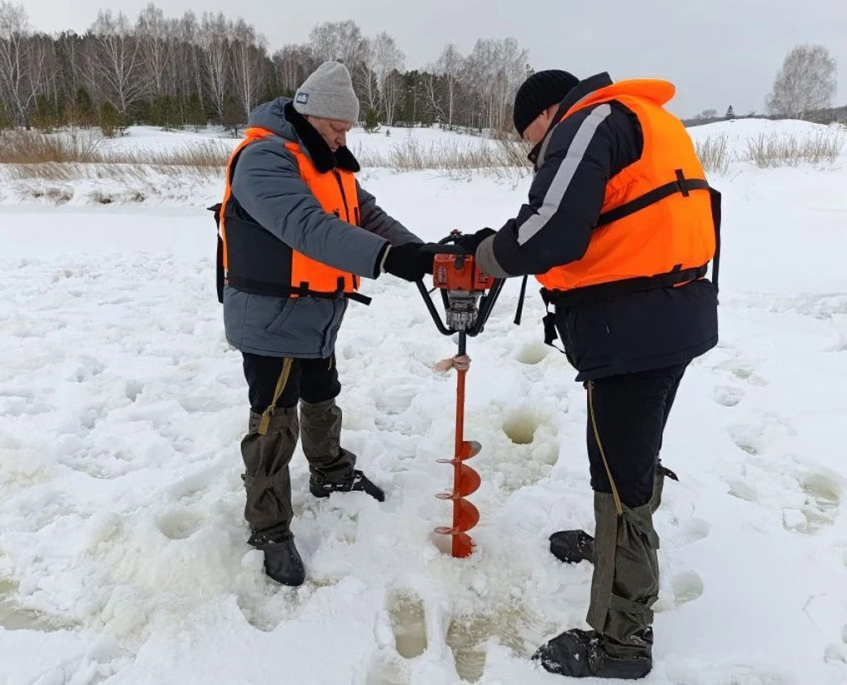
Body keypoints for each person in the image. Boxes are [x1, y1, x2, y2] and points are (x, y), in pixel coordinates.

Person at [456, 70, 720, 678]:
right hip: (673, 313)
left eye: (530, 139)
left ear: (548, 113)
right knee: (632, 454)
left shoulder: (590, 121)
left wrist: (485, 255)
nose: (534, 153)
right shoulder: (643, 119)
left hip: (630, 329)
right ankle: (614, 552)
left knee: (618, 474)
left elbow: (551, 231)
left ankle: (622, 640)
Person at [215, 61, 433, 587]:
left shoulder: (326, 161)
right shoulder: (263, 159)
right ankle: (268, 526)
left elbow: (367, 215)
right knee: (273, 418)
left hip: (317, 312)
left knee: (322, 393)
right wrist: (385, 259)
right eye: (337, 128)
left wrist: (421, 252)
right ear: (310, 115)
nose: (342, 139)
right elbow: (305, 225)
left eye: (347, 130)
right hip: (270, 315)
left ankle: (330, 472)